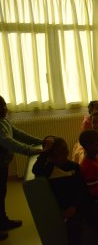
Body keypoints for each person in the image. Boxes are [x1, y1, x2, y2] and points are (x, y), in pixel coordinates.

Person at [32, 136, 98, 245]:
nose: (63, 157)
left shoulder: (74, 166)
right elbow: (36, 170)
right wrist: (45, 151)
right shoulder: (49, 169)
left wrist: (74, 205)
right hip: (67, 207)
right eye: (58, 155)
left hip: (81, 202)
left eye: (65, 152)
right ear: (50, 157)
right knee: (74, 228)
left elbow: (82, 189)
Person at [0, 95, 43, 240]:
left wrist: (40, 142)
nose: (4, 108)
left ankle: (3, 221)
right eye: (0, 107)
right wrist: (30, 150)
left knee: (2, 193)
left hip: (3, 164)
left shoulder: (4, 121)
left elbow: (19, 134)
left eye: (4, 105)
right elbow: (9, 142)